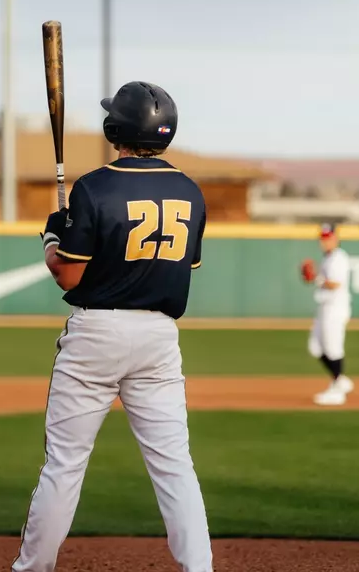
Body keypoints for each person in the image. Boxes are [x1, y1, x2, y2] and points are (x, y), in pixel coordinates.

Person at [12, 81, 212, 572]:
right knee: (175, 467)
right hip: (160, 339)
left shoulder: (95, 186)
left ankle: (32, 569)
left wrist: (53, 236)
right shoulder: (190, 191)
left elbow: (68, 272)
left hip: (97, 335)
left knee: (64, 465)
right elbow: (181, 267)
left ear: (114, 128)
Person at [309, 223, 355, 406]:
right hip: (325, 308)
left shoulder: (339, 258)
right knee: (315, 347)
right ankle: (341, 380)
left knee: (333, 348)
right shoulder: (328, 258)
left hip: (335, 309)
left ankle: (338, 390)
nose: (324, 241)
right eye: (322, 237)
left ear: (336, 239)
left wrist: (316, 278)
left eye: (328, 237)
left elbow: (335, 284)